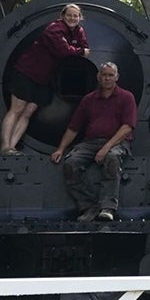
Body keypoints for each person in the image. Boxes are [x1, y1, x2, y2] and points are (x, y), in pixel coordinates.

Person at [51, 61, 136, 221]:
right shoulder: (89, 100)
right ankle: (88, 206)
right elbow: (73, 127)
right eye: (104, 75)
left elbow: (127, 127)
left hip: (117, 142)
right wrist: (61, 149)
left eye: (111, 75)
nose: (107, 79)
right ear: (98, 77)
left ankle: (108, 207)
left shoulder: (126, 97)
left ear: (117, 77)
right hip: (91, 142)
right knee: (70, 164)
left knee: (111, 158)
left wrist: (106, 147)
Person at [1, 3, 90, 153]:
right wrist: (80, 51)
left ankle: (12, 146)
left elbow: (85, 47)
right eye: (69, 15)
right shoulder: (54, 29)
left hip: (44, 78)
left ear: (80, 18)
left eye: (76, 16)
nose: (72, 18)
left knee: (28, 112)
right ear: (62, 16)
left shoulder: (78, 31)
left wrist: (79, 50)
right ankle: (5, 145)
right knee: (17, 109)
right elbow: (64, 51)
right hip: (28, 72)